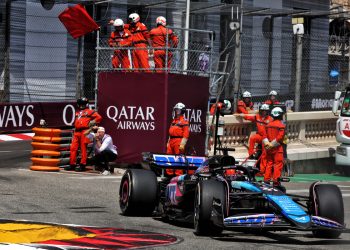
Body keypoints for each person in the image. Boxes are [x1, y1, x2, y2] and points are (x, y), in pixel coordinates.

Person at [66, 97, 102, 172]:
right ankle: (72, 164)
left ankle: (82, 165)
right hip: (76, 131)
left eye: (84, 104)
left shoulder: (90, 111)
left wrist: (93, 121)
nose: (82, 105)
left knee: (83, 148)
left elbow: (99, 117)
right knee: (73, 148)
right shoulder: (77, 112)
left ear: (86, 104)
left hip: (84, 131)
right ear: (79, 105)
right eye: (81, 104)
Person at [235, 104, 273, 174]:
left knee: (264, 154)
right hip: (260, 136)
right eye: (262, 111)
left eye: (265, 111)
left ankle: (262, 170)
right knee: (252, 138)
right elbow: (248, 117)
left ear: (267, 111)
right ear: (260, 111)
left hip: (266, 138)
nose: (264, 112)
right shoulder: (257, 117)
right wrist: (240, 115)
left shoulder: (270, 119)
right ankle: (251, 155)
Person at [263, 107, 286, 188]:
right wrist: (272, 144)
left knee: (269, 164)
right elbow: (280, 137)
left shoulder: (268, 125)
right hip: (277, 148)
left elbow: (264, 136)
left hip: (269, 149)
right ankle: (276, 182)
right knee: (277, 165)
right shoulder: (281, 125)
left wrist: (267, 144)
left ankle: (266, 181)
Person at [166, 102, 190, 175]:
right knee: (169, 158)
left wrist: (182, 144)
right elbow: (170, 132)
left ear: (182, 111)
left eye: (178, 110)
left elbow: (186, 134)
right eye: (176, 110)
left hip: (178, 142)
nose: (176, 111)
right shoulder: (174, 121)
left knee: (178, 159)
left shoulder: (184, 122)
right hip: (171, 141)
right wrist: (168, 142)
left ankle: (178, 174)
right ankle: (169, 174)